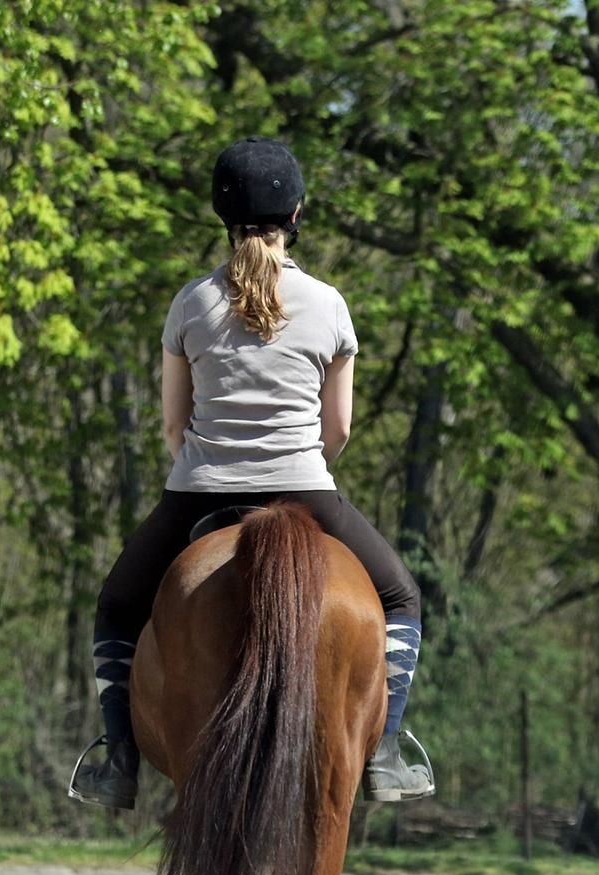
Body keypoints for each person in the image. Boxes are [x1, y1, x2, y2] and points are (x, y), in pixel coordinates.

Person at [69, 137, 433, 811]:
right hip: (304, 488)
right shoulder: (328, 305)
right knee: (401, 598)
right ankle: (384, 754)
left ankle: (117, 760)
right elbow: (341, 428)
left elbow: (174, 426)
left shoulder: (190, 305)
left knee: (117, 606)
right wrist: (300, 461)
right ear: (297, 212)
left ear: (223, 215)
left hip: (198, 493)